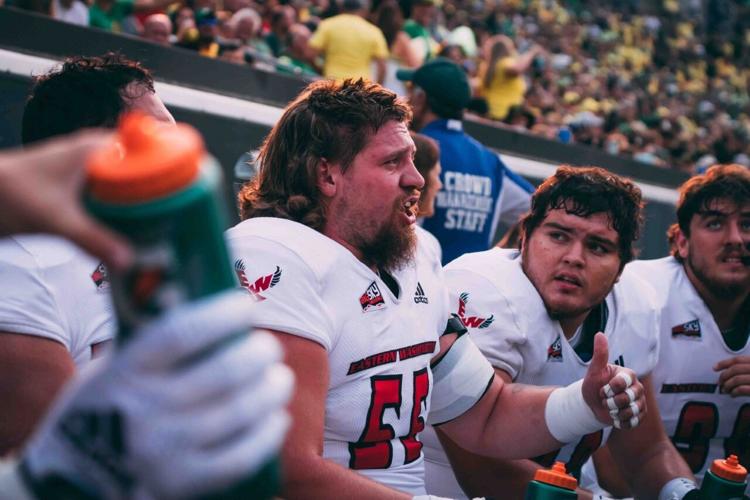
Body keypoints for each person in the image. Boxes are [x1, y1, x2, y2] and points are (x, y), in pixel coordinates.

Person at [228, 78, 646, 497]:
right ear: (328, 175)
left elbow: (486, 415)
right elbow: (287, 469)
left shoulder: (413, 259)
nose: (417, 179)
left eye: (413, 160)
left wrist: (584, 402)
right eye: (393, 163)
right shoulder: (277, 255)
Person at [421, 166, 696, 499]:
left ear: (622, 267)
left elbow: (646, 451)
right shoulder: (485, 288)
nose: (573, 258)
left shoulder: (637, 307)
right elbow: (482, 466)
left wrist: (682, 492)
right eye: (558, 236)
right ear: (525, 238)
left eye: (597, 247)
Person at [0, 53, 175, 454]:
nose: (184, 155)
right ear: (99, 149)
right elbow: (55, 466)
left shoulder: (148, 261)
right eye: (162, 138)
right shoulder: (23, 268)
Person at [591, 163, 750, 497]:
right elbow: (605, 448)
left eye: (747, 224)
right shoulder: (640, 292)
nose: (736, 239)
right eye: (715, 223)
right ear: (681, 241)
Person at [398, 58, 534, 264]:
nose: (406, 97)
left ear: (420, 97)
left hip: (413, 286)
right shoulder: (489, 161)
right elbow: (538, 207)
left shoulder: (411, 150)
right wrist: (500, 258)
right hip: (469, 291)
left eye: (410, 89)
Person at [307, 0, 388, 83]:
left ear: (342, 8)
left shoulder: (328, 24)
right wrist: (377, 87)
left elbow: (310, 54)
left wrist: (320, 69)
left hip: (332, 82)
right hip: (361, 86)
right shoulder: (374, 31)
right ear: (364, 10)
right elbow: (382, 67)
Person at [479, 35, 544, 122]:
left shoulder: (485, 66)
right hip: (507, 114)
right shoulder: (504, 63)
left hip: (491, 110)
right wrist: (532, 52)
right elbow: (518, 68)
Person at [373, 0, 420, 96]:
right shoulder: (401, 38)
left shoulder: (373, 34)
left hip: (375, 81)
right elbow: (416, 65)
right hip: (396, 86)